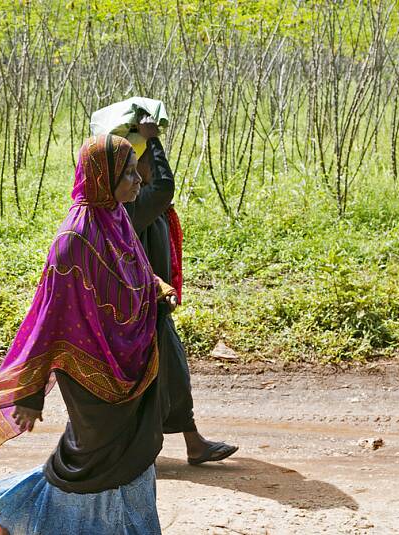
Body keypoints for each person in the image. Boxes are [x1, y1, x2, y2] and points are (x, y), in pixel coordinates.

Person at [0, 134, 176, 535]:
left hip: (135, 360)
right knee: (89, 462)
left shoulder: (116, 219)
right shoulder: (71, 243)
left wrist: (156, 289)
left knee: (137, 451)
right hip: (90, 373)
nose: (137, 181)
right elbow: (49, 321)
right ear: (101, 178)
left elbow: (134, 275)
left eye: (135, 171)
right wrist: (29, 395)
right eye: (128, 174)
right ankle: (21, 514)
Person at [125, 120, 238, 465]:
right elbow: (165, 185)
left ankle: (191, 442)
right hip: (142, 308)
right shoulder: (135, 204)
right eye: (132, 168)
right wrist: (152, 140)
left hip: (153, 304)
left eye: (137, 166)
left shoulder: (137, 203)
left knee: (171, 373)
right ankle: (151, 448)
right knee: (157, 377)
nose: (138, 173)